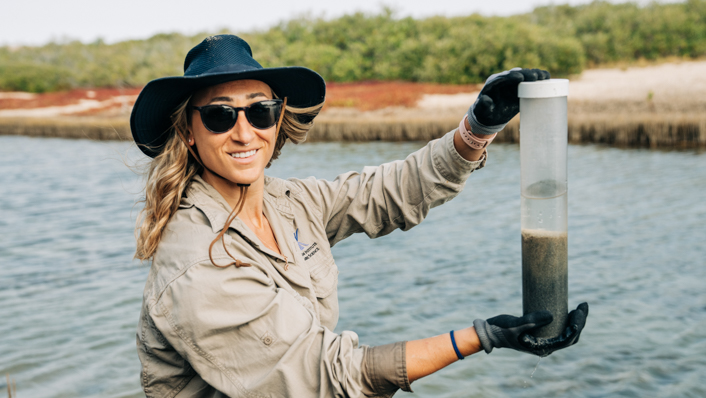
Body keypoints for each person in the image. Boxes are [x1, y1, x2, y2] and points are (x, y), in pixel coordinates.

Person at [131, 35, 588, 397]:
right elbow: (330, 380)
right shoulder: (197, 263)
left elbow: (388, 191)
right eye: (219, 116)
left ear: (278, 117)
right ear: (188, 133)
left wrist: (478, 127)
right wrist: (482, 336)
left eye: (260, 110)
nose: (244, 131)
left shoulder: (288, 201)